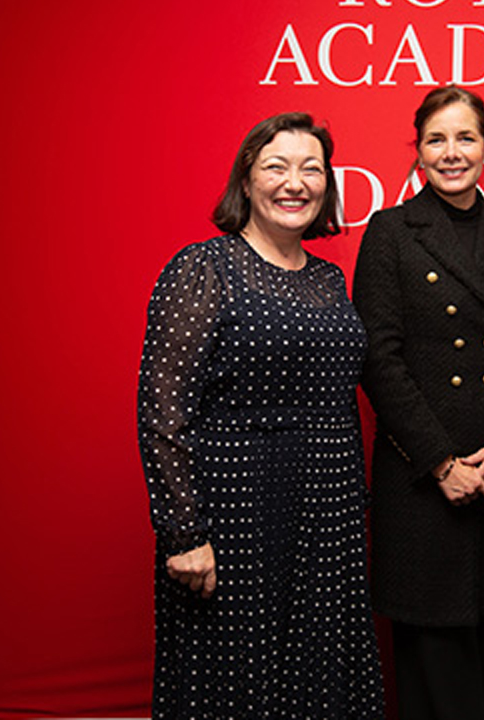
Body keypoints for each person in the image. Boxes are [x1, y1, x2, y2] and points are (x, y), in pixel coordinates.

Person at [136, 112, 384, 719]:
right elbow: (162, 408)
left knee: (322, 680)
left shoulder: (330, 280)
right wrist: (183, 533)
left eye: (311, 169)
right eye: (277, 166)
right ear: (246, 181)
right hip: (234, 519)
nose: (295, 182)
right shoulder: (204, 269)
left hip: (329, 520)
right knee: (235, 684)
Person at [352, 85, 484, 720]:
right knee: (429, 658)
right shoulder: (390, 231)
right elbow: (377, 359)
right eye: (436, 139)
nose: (451, 152)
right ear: (418, 153)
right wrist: (442, 462)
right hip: (422, 481)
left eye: (465, 137)